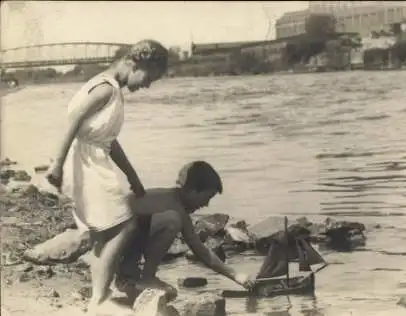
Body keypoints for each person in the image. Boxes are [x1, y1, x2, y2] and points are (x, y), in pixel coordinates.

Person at [45, 39, 169, 316]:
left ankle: (100, 296)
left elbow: (109, 141)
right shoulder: (105, 89)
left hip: (92, 161)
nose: (148, 85)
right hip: (86, 164)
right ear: (138, 63)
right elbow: (73, 122)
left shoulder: (110, 88)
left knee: (104, 233)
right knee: (124, 225)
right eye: (150, 77)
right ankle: (99, 300)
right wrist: (57, 164)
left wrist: (132, 176)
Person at [115, 161, 255, 293]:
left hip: (119, 246)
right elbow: (201, 251)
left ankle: (129, 276)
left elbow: (200, 250)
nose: (206, 204)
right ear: (193, 192)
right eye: (207, 197)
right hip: (113, 242)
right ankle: (146, 278)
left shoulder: (175, 203)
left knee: (170, 292)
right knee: (172, 221)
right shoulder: (174, 208)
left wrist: (236, 276)